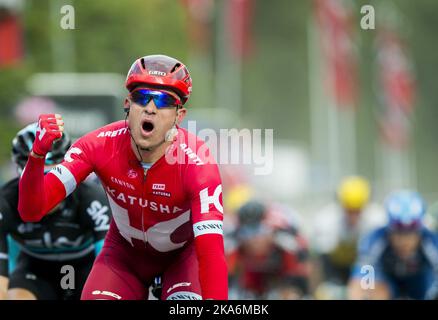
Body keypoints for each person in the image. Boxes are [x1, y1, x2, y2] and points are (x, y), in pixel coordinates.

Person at [17, 54, 228, 300]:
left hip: (182, 259)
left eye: (163, 101)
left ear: (179, 116)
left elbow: (211, 252)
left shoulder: (197, 163)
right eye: (141, 98)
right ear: (128, 104)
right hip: (123, 257)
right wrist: (37, 156)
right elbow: (31, 211)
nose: (150, 108)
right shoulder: (98, 145)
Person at [0, 123, 111, 300]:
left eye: (53, 178)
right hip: (34, 269)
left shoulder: (91, 198)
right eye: (35, 180)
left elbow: (108, 264)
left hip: (84, 267)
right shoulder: (6, 201)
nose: (44, 189)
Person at [347, 190, 438, 300]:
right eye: (399, 231)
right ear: (389, 230)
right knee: (373, 289)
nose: (404, 240)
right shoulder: (374, 240)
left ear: (420, 231)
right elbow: (361, 281)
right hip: (389, 285)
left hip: (421, 286)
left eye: (411, 231)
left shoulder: (431, 241)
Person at [311, 176, 386, 298]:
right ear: (341, 205)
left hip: (365, 265)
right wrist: (316, 290)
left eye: (358, 210)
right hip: (336, 268)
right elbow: (318, 262)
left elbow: (377, 259)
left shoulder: (377, 219)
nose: (353, 216)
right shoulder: (326, 220)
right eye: (349, 210)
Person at [227, 200, 310, 299]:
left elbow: (302, 275)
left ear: (271, 229)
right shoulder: (232, 246)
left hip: (280, 279)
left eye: (260, 230)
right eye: (246, 232)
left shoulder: (287, 244)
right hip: (249, 283)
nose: (254, 239)